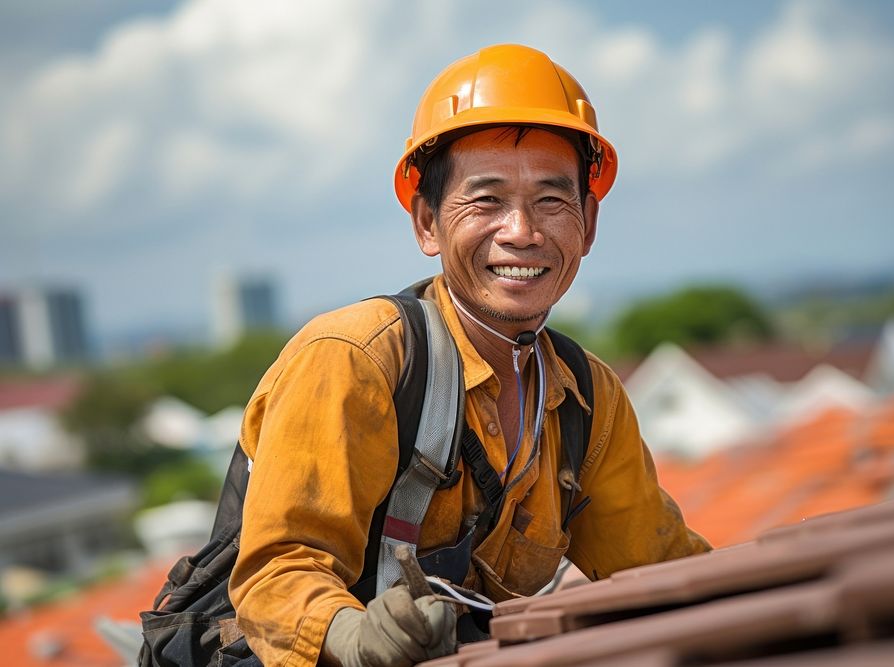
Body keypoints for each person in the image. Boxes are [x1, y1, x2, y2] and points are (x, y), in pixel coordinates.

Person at [229, 43, 711, 667]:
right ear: (427, 223)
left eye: (551, 200)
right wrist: (353, 640)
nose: (522, 231)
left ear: (587, 224)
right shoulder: (358, 361)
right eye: (486, 200)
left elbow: (662, 572)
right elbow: (277, 573)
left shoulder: (585, 401)